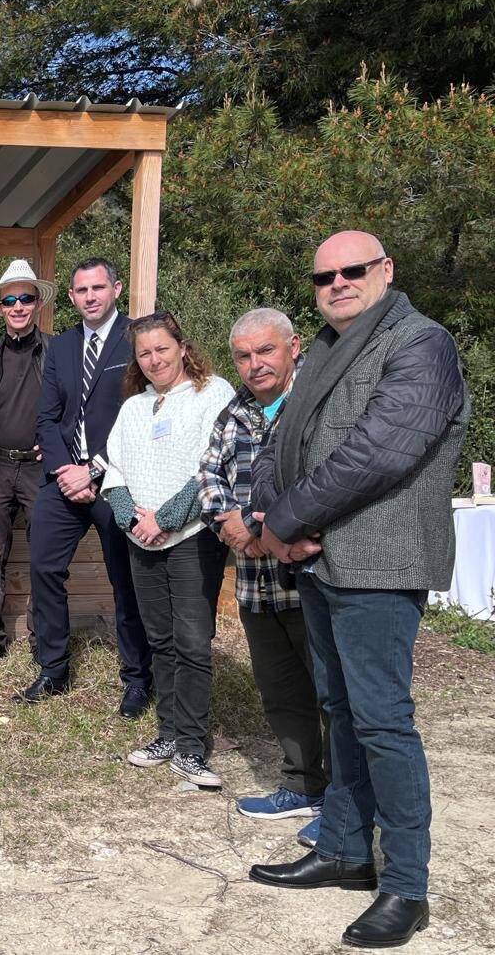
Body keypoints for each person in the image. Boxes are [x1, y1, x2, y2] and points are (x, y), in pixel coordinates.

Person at [248, 231, 468, 949]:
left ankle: (406, 886)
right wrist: (275, 520)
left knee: (382, 722)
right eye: (324, 276)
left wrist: (288, 519)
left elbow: (381, 450)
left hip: (379, 561)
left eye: (353, 270)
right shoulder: (326, 345)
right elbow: (285, 441)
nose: (338, 283)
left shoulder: (420, 343)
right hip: (319, 560)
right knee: (339, 708)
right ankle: (345, 849)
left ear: (386, 270)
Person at [198, 308, 327, 847]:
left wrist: (267, 526)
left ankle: (344, 801)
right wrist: (234, 528)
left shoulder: (316, 403)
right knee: (281, 690)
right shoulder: (235, 413)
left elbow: (326, 477)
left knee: (331, 694)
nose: (255, 365)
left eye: (265, 351)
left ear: (293, 346)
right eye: (244, 356)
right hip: (254, 580)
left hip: (313, 577)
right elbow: (208, 475)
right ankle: (301, 784)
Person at [98, 313, 234, 787]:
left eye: (162, 349)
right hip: (141, 538)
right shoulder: (134, 407)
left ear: (182, 346)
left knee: (192, 642)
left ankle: (192, 748)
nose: (154, 359)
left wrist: (167, 518)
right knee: (160, 639)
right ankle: (169, 733)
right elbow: (113, 467)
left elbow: (213, 467)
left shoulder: (212, 393)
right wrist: (131, 517)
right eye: (144, 353)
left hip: (191, 538)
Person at [16, 258, 153, 716]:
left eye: (98, 287)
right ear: (71, 297)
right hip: (63, 480)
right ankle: (53, 669)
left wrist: (92, 469)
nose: (90, 296)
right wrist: (62, 471)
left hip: (116, 479)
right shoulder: (62, 347)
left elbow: (141, 417)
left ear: (116, 289)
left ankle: (137, 679)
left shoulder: (137, 339)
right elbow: (48, 417)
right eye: (81, 290)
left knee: (124, 579)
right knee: (43, 567)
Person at [0, 259, 55, 667]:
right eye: (10, 299)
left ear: (38, 303)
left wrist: (59, 447)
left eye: (25, 298)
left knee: (44, 555)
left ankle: (43, 635)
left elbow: (74, 407)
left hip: (41, 471)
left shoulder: (56, 351)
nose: (18, 305)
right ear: (1, 307)